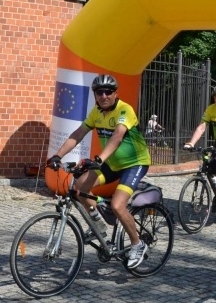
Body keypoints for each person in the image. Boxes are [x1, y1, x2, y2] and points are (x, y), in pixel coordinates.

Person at [46, 74, 151, 268]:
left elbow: (118, 137)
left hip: (135, 163)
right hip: (112, 164)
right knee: (79, 187)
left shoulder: (124, 110)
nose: (104, 96)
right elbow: (78, 134)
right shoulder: (96, 112)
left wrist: (98, 159)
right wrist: (57, 156)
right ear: (95, 95)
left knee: (118, 206)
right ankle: (99, 227)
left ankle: (138, 244)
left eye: (108, 92)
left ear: (115, 93)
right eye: (99, 92)